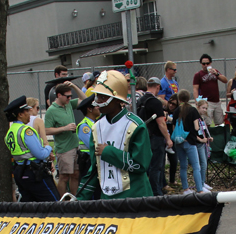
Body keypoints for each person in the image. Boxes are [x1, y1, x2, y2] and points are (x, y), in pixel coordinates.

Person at [77, 70, 152, 200]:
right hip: (108, 199)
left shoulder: (135, 125)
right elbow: (95, 169)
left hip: (136, 197)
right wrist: (79, 198)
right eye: (97, 96)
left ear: (117, 99)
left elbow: (140, 164)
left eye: (103, 97)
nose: (98, 101)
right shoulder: (96, 127)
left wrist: (108, 152)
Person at [4, 96, 59, 202]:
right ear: (20, 114)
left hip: (20, 171)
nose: (29, 115)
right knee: (54, 204)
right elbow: (41, 154)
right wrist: (48, 148)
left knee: (31, 207)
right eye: (26, 112)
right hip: (34, 172)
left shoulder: (10, 132)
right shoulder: (26, 131)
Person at [45, 80, 86, 196]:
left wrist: (74, 86)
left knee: (76, 174)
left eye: (70, 96)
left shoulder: (68, 104)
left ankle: (74, 199)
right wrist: (64, 128)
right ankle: (62, 202)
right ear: (59, 95)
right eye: (67, 96)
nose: (69, 98)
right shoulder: (51, 111)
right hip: (64, 149)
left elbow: (84, 99)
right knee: (64, 177)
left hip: (75, 146)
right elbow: (46, 130)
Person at [139, 78, 173, 196]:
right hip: (156, 138)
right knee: (157, 166)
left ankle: (149, 190)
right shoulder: (155, 102)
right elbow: (161, 123)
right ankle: (156, 192)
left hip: (144, 137)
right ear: (158, 87)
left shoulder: (140, 100)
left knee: (147, 166)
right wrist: (168, 138)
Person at [172, 90, 206, 195]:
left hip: (179, 142)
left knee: (183, 166)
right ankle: (199, 189)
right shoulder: (192, 110)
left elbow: (174, 126)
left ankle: (185, 189)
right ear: (188, 98)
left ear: (179, 99)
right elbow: (196, 127)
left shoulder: (176, 111)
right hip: (190, 141)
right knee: (196, 166)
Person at [192, 54, 228, 125]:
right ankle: (207, 135)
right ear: (201, 64)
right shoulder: (198, 74)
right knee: (207, 123)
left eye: (207, 63)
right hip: (206, 102)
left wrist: (216, 74)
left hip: (217, 101)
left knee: (220, 123)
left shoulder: (215, 71)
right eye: (203, 63)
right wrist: (197, 102)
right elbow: (195, 89)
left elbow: (225, 80)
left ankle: (218, 135)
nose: (205, 65)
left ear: (210, 63)